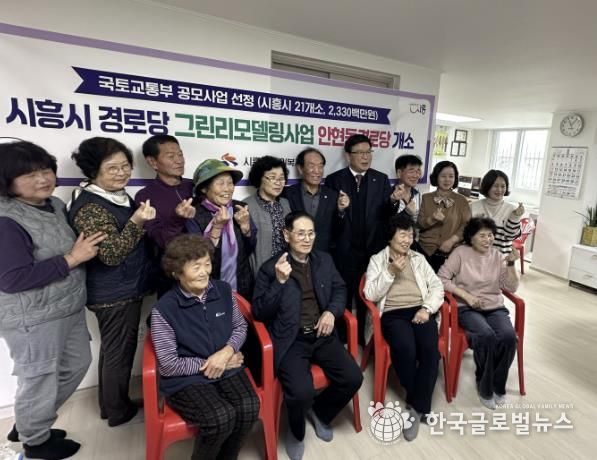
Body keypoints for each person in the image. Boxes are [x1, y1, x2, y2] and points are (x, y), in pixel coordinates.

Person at [0, 141, 105, 459]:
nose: (42, 179)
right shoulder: (6, 220)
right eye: (29, 174)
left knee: (77, 364)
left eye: (46, 170)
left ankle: (30, 422)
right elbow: (12, 279)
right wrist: (73, 258)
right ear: (7, 181)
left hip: (67, 306)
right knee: (39, 378)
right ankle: (35, 442)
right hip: (32, 317)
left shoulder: (55, 205)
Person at [252, 211, 363, 460]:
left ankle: (321, 413)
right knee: (301, 392)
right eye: (300, 233)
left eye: (311, 233)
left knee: (353, 377)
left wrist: (331, 312)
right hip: (291, 339)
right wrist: (279, 282)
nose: (306, 239)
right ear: (286, 235)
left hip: (322, 334)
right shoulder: (271, 269)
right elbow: (259, 312)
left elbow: (340, 288)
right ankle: (296, 431)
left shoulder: (323, 260)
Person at [69, 137, 155, 427]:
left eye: (125, 166)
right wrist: (137, 222)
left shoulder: (114, 196)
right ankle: (118, 411)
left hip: (123, 288)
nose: (121, 173)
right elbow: (111, 254)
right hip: (114, 293)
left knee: (113, 350)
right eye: (112, 168)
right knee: (119, 353)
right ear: (94, 171)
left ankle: (111, 405)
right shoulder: (90, 208)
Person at [151, 234, 260, 460]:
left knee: (249, 406)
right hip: (186, 378)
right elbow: (169, 365)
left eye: (207, 264)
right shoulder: (164, 310)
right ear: (177, 272)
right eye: (196, 267)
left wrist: (227, 352)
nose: (204, 272)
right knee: (220, 418)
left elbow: (240, 326)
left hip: (227, 365)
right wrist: (215, 363)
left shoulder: (223, 290)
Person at [364, 213, 444, 440]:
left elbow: (437, 286)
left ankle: (415, 407)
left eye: (410, 234)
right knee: (406, 348)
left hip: (420, 309)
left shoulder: (418, 258)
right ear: (391, 236)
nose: (408, 239)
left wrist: (427, 309)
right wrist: (390, 272)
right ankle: (421, 404)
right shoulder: (377, 260)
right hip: (393, 313)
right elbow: (370, 294)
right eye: (402, 234)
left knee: (430, 352)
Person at [438, 217, 520, 410]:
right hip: (466, 307)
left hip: (494, 307)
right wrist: (465, 295)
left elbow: (511, 287)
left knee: (509, 337)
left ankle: (497, 385)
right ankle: (485, 387)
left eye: (490, 235)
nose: (487, 239)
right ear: (471, 237)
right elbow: (441, 278)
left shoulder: (498, 256)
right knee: (486, 335)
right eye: (482, 235)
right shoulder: (460, 253)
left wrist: (510, 265)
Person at [324, 134, 394, 343]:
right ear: (348, 156)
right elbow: (329, 217)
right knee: (342, 296)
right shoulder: (335, 180)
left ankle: (364, 339)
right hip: (344, 251)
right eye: (360, 153)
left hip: (372, 250)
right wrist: (340, 210)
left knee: (368, 296)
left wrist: (393, 201)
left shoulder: (381, 179)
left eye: (368, 152)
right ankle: (342, 340)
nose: (365, 157)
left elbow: (386, 217)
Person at [187, 159, 256, 299]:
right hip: (208, 288)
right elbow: (197, 257)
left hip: (242, 286)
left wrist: (246, 228)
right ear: (204, 188)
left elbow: (250, 248)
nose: (227, 189)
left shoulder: (240, 208)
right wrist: (217, 228)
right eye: (220, 183)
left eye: (230, 183)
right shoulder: (194, 214)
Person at [284, 147, 349, 252]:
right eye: (311, 166)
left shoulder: (333, 195)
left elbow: (339, 230)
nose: (317, 171)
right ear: (300, 169)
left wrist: (341, 211)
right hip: (295, 254)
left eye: (320, 166)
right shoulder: (287, 194)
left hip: (324, 254)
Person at [418, 161, 471, 272]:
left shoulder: (462, 200)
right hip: (425, 250)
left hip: (451, 252)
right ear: (436, 177)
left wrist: (452, 241)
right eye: (443, 176)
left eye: (451, 176)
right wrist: (432, 219)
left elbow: (467, 225)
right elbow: (419, 224)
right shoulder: (426, 198)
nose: (447, 180)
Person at [244, 155, 291, 275]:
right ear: (260, 178)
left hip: (286, 271)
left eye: (281, 178)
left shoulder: (285, 204)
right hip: (260, 274)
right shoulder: (246, 206)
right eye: (272, 177)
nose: (278, 183)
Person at [470, 169, 524, 254]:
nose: (499, 190)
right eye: (495, 186)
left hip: (501, 258)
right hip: (476, 257)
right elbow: (468, 235)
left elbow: (510, 237)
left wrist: (515, 217)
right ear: (487, 186)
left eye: (503, 186)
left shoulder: (511, 209)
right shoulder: (473, 206)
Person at [390, 154, 424, 222]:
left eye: (418, 171)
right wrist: (406, 212)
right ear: (399, 173)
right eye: (411, 171)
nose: (415, 176)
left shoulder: (418, 194)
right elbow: (386, 222)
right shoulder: (389, 194)